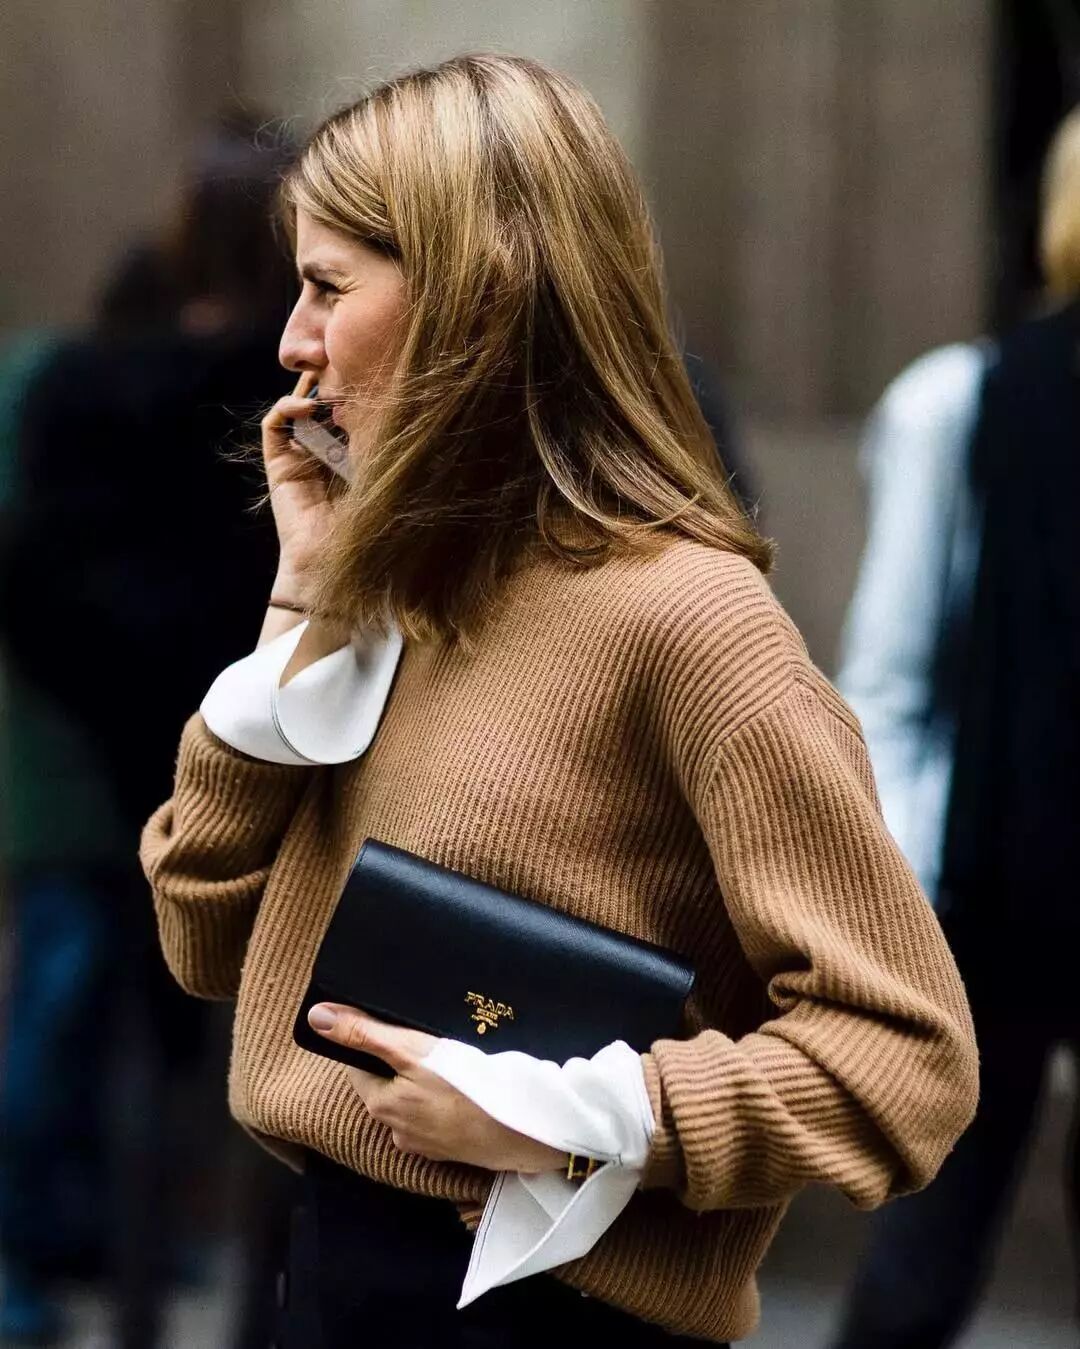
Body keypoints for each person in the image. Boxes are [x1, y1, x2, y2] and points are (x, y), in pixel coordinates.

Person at [140, 55, 978, 1348]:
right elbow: (205, 943)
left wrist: (580, 1117)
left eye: (327, 287)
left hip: (561, 1314)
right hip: (330, 1274)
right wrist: (303, 609)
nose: (293, 342)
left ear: (471, 298)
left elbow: (907, 1058)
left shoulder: (691, 618)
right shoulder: (400, 582)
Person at [0, 110, 295, 1346]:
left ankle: (94, 1258)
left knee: (100, 1028)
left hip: (107, 761)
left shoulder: (83, 374)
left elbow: (35, 580)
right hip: (258, 765)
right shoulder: (286, 391)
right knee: (220, 1045)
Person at [828, 106, 1080, 1349]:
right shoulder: (961, 401)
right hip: (992, 888)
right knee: (922, 1256)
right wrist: (902, 894)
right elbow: (889, 672)